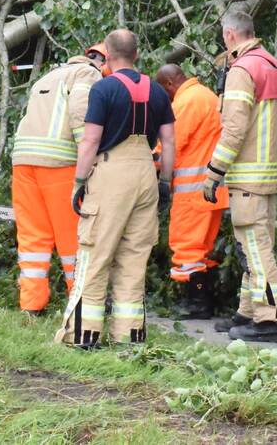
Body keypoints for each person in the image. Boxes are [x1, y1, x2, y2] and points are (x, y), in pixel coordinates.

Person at [55, 29, 176, 349]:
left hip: (111, 174)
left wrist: (80, 182)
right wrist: (164, 182)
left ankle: (84, 335)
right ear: (136, 54)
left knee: (95, 254)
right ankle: (129, 336)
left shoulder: (103, 88)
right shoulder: (158, 91)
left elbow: (91, 140)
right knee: (134, 259)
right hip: (146, 175)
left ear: (107, 56)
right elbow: (169, 142)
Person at [203, 10, 277, 343]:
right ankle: (249, 311)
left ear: (229, 36)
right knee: (254, 246)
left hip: (248, 176)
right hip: (266, 175)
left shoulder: (243, 69)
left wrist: (214, 172)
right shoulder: (270, 63)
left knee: (254, 249)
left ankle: (270, 318)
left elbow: (235, 128)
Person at [10, 43, 107, 314]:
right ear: (104, 63)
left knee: (32, 238)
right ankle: (80, 301)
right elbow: (81, 115)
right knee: (71, 238)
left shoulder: (49, 75)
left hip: (24, 161)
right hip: (59, 163)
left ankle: (31, 304)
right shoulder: (88, 75)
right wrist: (88, 159)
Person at [154, 64, 229, 319]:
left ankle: (197, 303)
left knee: (188, 248)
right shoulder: (207, 96)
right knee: (202, 248)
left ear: (168, 85)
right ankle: (205, 300)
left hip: (193, 192)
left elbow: (171, 142)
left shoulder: (187, 101)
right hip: (211, 189)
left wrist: (152, 161)